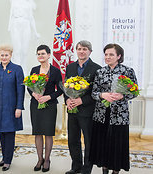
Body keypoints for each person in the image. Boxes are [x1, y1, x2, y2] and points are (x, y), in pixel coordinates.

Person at [90, 43, 138, 174]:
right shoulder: (100, 72)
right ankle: (104, 169)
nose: (107, 57)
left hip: (120, 115)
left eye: (111, 54)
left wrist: (122, 95)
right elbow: (94, 93)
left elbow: (135, 92)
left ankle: (116, 171)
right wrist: (102, 95)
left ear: (119, 56)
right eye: (106, 54)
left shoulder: (128, 71)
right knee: (103, 144)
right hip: (101, 114)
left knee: (117, 144)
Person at [64, 41, 101, 174]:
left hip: (87, 111)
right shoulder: (70, 67)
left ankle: (87, 169)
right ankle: (76, 166)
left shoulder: (97, 68)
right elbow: (65, 88)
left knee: (88, 141)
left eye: (84, 49)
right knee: (73, 140)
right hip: (72, 111)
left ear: (90, 51)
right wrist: (67, 100)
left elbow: (96, 93)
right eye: (79, 49)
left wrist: (81, 101)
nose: (81, 51)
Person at [0, 44, 25, 171]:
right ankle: (4, 157)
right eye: (2, 55)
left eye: (6, 55)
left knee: (9, 133)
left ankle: (8, 160)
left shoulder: (17, 69)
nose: (4, 57)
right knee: (1, 133)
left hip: (11, 107)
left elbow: (21, 90)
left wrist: (19, 107)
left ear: (10, 55)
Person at [28, 45, 63, 172]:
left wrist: (48, 97)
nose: (40, 56)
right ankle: (39, 159)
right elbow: (29, 86)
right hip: (35, 104)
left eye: (43, 53)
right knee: (37, 132)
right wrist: (34, 94)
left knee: (48, 133)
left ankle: (47, 159)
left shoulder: (55, 71)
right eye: (38, 54)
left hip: (50, 104)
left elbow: (60, 90)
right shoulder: (34, 69)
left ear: (49, 55)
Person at [8, 0, 40, 73]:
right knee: (17, 49)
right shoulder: (13, 1)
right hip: (16, 24)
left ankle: (24, 70)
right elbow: (11, 15)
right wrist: (9, 27)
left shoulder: (29, 3)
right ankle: (16, 70)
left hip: (26, 24)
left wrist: (35, 32)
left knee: (24, 50)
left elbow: (31, 18)